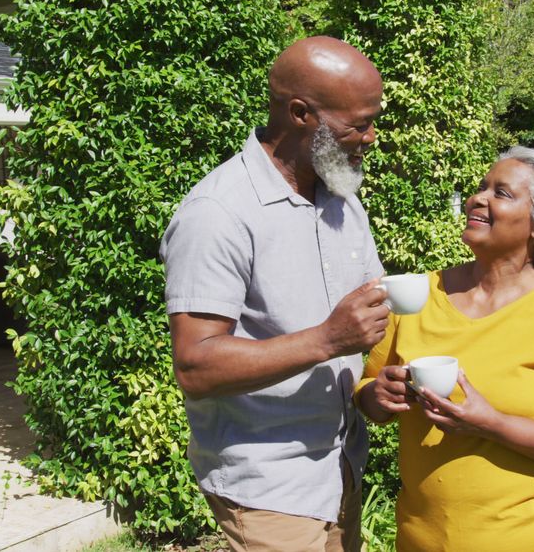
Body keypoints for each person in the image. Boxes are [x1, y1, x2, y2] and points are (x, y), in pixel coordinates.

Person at [160, 36, 390, 552]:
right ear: (300, 113)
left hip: (341, 463)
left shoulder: (341, 198)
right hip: (270, 485)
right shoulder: (217, 213)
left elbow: (369, 317)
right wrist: (328, 339)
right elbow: (195, 365)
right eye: (357, 124)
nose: (371, 137)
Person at [357, 146, 534, 551]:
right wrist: (379, 395)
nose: (477, 198)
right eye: (482, 187)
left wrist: (492, 424)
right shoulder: (419, 294)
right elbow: (367, 389)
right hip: (423, 541)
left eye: (501, 193)